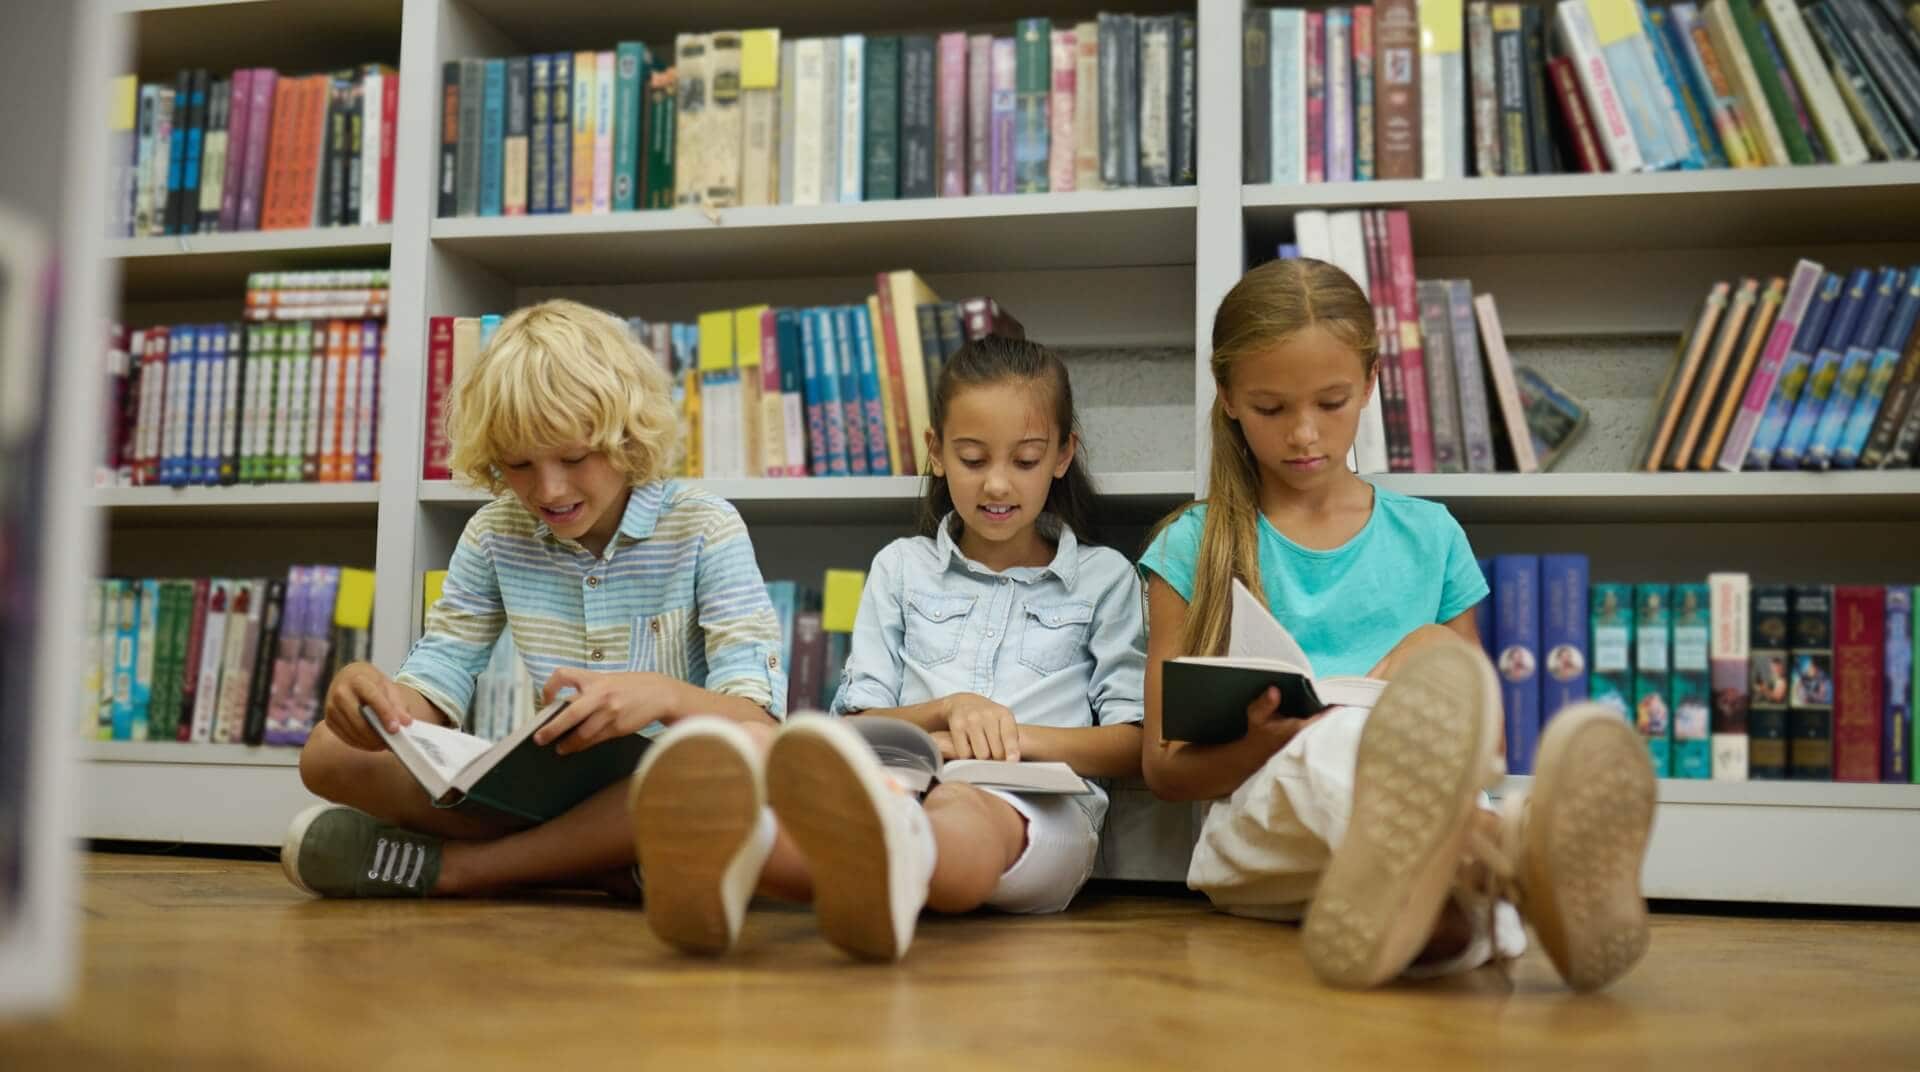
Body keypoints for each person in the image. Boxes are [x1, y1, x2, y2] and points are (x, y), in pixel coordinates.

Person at [1137, 258, 1657, 991]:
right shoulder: (1192, 546)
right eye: (1271, 408)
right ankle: (1517, 851)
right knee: (1341, 735)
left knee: (1445, 921)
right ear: (1226, 397)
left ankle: (1473, 893)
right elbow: (1162, 769)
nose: (1305, 434)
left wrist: (1434, 649)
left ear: (1372, 382)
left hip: (1374, 865)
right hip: (1263, 841)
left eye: (1331, 402)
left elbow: (1491, 746)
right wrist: (1266, 740)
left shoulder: (1431, 536)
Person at [629, 336, 1146, 961]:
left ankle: (765, 849)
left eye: (1026, 460)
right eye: (974, 459)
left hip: (1038, 809)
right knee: (786, 753)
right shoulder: (900, 568)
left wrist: (1008, 737)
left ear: (1064, 454)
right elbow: (859, 722)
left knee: (959, 805)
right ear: (936, 452)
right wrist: (946, 711)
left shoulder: (1105, 577)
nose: (998, 483)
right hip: (903, 781)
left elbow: (1132, 744)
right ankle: (734, 846)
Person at [281, 299, 786, 900]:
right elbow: (438, 678)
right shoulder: (495, 533)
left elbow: (759, 721)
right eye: (518, 464)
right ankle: (606, 867)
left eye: (574, 458)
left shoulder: (706, 527)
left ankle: (458, 869)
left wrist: (662, 697)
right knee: (327, 752)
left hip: (668, 781)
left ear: (627, 437)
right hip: (551, 791)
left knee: (741, 764)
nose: (548, 489)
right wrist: (377, 701)